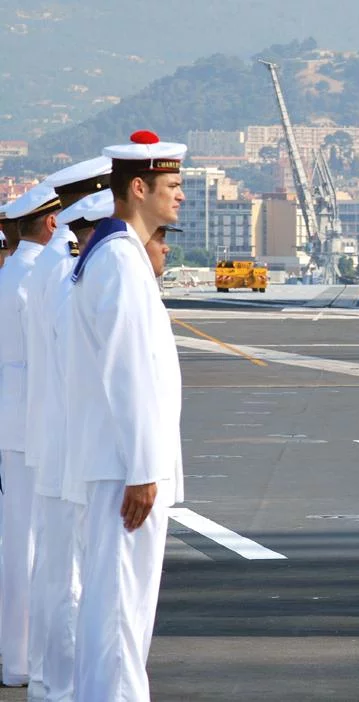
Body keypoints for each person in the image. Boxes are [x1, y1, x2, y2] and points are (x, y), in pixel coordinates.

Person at [66, 131, 186, 701]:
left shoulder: (120, 256)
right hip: (125, 468)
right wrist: (142, 469)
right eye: (172, 185)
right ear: (139, 188)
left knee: (120, 609)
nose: (180, 196)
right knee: (119, 611)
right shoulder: (119, 261)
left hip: (123, 462)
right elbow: (128, 371)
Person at [23, 157, 111, 700]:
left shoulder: (50, 264)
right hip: (70, 441)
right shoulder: (69, 270)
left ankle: (50, 679)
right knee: (70, 575)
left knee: (57, 568)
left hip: (54, 438)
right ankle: (62, 684)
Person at [0, 183, 62, 687]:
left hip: (14, 419)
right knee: (34, 543)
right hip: (33, 421)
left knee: (18, 539)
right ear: (51, 223)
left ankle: (16, 656)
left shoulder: (11, 272)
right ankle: (26, 659)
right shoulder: (37, 277)